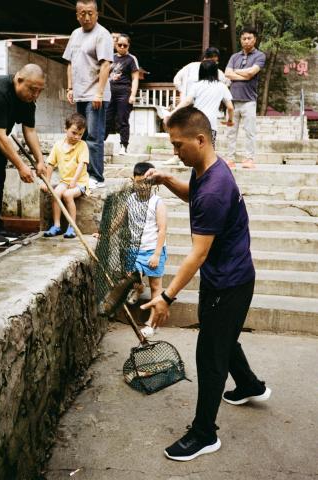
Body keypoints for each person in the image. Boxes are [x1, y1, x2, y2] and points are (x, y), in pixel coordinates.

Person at [141, 106, 271, 462]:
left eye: (178, 144)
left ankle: (204, 434)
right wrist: (168, 179)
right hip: (233, 277)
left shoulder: (215, 187)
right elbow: (194, 197)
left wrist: (166, 295)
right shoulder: (207, 169)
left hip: (227, 284)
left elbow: (197, 255)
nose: (174, 151)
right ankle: (249, 386)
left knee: (210, 354)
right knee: (222, 338)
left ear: (200, 139)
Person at [0, 63, 46, 246]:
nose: (35, 95)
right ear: (19, 80)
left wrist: (40, 160)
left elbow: (30, 131)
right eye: (33, 90)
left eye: (40, 91)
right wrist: (21, 166)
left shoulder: (28, 100)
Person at [63, 0, 114, 189]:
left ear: (97, 14)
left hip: (95, 95)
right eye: (82, 13)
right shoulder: (75, 34)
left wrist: (99, 94)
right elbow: (70, 62)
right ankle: (83, 174)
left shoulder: (102, 35)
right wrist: (70, 88)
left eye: (90, 13)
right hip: (80, 94)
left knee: (94, 136)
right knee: (80, 136)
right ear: (77, 15)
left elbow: (106, 64)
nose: (86, 17)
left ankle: (96, 177)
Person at [126, 162, 167, 338]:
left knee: (156, 287)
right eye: (138, 182)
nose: (142, 186)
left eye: (145, 182)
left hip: (153, 249)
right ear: (133, 181)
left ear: (152, 183)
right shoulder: (130, 200)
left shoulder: (157, 202)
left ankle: (152, 323)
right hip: (135, 249)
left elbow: (162, 229)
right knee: (132, 276)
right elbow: (120, 220)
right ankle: (138, 287)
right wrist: (102, 233)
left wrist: (157, 254)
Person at [166, 61, 234, 148]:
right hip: (211, 124)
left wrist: (172, 113)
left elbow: (187, 102)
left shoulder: (196, 85)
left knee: (194, 149)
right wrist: (230, 120)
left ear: (201, 71)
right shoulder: (222, 86)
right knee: (210, 149)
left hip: (195, 122)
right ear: (215, 72)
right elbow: (230, 107)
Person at [42, 113, 89, 239]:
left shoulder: (82, 145)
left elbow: (81, 164)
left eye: (80, 134)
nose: (77, 137)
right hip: (65, 181)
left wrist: (74, 180)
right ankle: (57, 226)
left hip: (80, 182)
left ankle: (71, 227)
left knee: (67, 195)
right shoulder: (58, 146)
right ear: (66, 129)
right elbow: (50, 164)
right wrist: (47, 181)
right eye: (74, 133)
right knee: (56, 193)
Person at [225, 26, 266, 169]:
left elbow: (251, 73)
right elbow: (227, 73)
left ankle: (249, 159)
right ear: (240, 40)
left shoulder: (260, 56)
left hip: (249, 100)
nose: (247, 41)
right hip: (232, 101)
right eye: (244, 38)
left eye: (249, 38)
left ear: (255, 39)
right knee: (230, 132)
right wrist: (243, 74)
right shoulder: (234, 56)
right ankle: (230, 159)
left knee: (250, 132)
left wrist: (235, 72)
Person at [105, 34, 140, 155]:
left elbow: (135, 78)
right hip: (109, 92)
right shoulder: (111, 57)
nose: (122, 47)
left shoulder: (131, 59)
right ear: (116, 45)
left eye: (125, 45)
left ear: (128, 46)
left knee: (122, 119)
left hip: (124, 92)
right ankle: (101, 143)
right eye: (120, 45)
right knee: (107, 119)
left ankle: (123, 146)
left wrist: (132, 95)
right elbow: (104, 74)